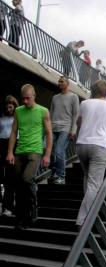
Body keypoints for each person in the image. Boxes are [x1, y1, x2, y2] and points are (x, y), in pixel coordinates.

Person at [75, 80, 106, 228]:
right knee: (95, 184)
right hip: (98, 146)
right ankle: (83, 220)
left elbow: (79, 124)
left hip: (82, 145)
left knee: (88, 178)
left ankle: (88, 213)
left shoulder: (84, 104)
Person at [7, 84, 52, 229]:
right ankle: (21, 217)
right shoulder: (18, 111)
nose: (25, 101)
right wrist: (10, 152)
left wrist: (47, 154)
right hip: (20, 151)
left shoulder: (43, 111)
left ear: (34, 96)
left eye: (28, 98)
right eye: (23, 98)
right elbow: (13, 132)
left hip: (35, 151)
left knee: (27, 179)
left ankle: (33, 208)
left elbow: (49, 133)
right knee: (18, 184)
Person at [49, 76, 79, 185]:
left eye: (62, 81)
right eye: (58, 81)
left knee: (58, 150)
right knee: (49, 150)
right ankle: (54, 173)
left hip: (66, 128)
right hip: (53, 127)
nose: (59, 83)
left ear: (67, 83)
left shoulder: (73, 97)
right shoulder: (55, 97)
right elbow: (51, 113)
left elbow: (76, 114)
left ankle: (61, 176)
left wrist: (73, 130)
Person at [0, 96, 18, 216]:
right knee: (3, 178)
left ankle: (8, 207)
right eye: (8, 104)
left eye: (12, 104)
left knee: (11, 178)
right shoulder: (1, 118)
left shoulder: (18, 118)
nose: (9, 105)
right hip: (1, 144)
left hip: (15, 145)